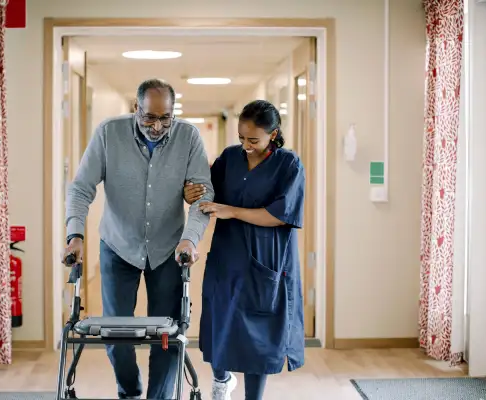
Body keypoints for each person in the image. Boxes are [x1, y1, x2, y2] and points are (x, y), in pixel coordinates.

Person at [62, 78, 214, 400]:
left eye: (165, 118)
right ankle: (129, 391)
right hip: (118, 246)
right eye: (149, 117)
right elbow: (80, 188)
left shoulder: (188, 137)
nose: (157, 126)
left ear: (173, 113)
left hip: (169, 249)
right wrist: (74, 234)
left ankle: (159, 398)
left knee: (167, 334)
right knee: (116, 335)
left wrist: (189, 240)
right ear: (136, 108)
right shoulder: (109, 133)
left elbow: (204, 196)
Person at [184, 100, 306, 400]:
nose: (246, 145)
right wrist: (190, 194)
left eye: (254, 139)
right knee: (220, 322)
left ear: (273, 134)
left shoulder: (289, 164)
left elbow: (279, 215)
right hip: (228, 254)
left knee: (259, 334)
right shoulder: (229, 158)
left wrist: (232, 211)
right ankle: (222, 381)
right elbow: (207, 196)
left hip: (267, 257)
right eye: (241, 138)